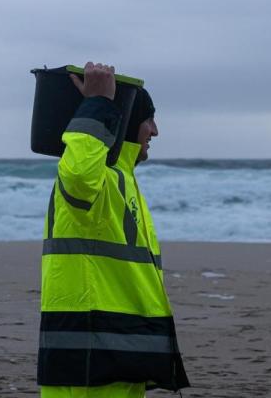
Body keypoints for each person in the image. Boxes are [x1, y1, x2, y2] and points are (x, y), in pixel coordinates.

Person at [38, 62, 190, 397]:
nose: (155, 130)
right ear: (128, 120)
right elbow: (79, 175)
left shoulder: (123, 179)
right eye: (148, 118)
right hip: (90, 354)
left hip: (118, 350)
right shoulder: (100, 179)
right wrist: (98, 104)